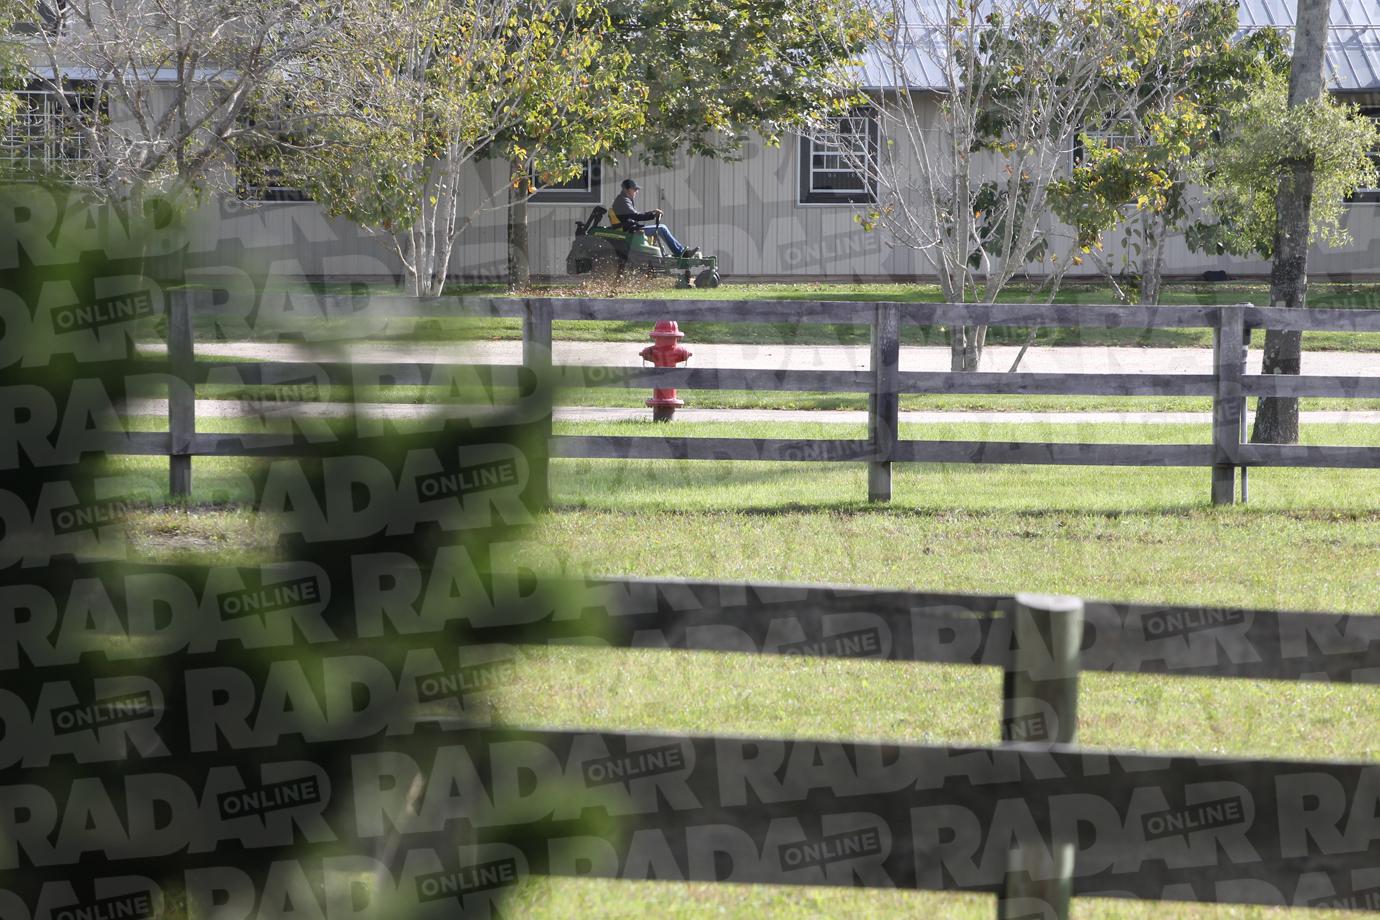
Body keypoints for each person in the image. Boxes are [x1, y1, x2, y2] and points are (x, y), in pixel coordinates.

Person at [609, 178, 699, 257]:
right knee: (662, 228)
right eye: (635, 189)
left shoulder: (624, 200)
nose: (637, 191)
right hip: (631, 232)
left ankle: (680, 252)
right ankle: (681, 253)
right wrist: (653, 215)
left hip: (630, 229)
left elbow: (635, 215)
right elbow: (636, 216)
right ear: (626, 189)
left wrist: (652, 212)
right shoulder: (623, 201)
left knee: (661, 228)